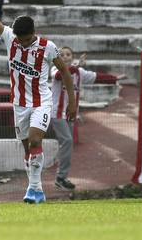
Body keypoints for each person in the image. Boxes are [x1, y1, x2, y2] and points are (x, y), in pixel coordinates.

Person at [0, 0, 77, 204]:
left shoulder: (48, 47)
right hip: (19, 104)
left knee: (36, 140)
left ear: (33, 34)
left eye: (26, 40)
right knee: (28, 149)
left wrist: (72, 102)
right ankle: (36, 191)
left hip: (41, 102)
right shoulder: (10, 38)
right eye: (20, 40)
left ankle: (33, 189)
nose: (22, 43)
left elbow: (65, 72)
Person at [50, 47, 120, 191]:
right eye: (61, 55)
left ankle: (62, 177)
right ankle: (60, 177)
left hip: (70, 114)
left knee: (67, 144)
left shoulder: (79, 72)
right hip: (57, 114)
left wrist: (114, 79)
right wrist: (77, 65)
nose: (65, 57)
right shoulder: (55, 69)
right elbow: (61, 75)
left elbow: (96, 77)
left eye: (68, 54)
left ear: (72, 56)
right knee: (68, 141)